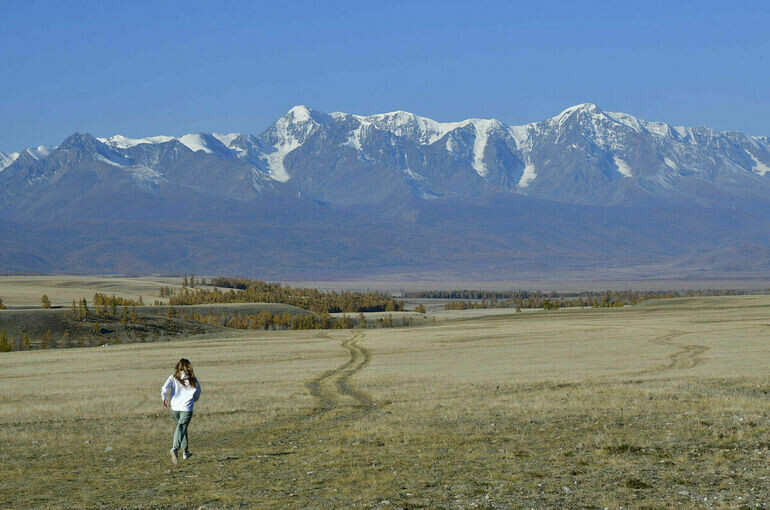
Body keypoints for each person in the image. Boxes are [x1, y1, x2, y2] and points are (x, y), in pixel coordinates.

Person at [161, 358, 201, 464]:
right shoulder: (193, 379)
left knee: (182, 427)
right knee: (182, 427)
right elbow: (198, 393)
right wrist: (192, 400)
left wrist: (164, 398)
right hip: (187, 408)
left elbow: (165, 388)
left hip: (175, 408)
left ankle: (185, 452)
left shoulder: (173, 377)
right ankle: (175, 448)